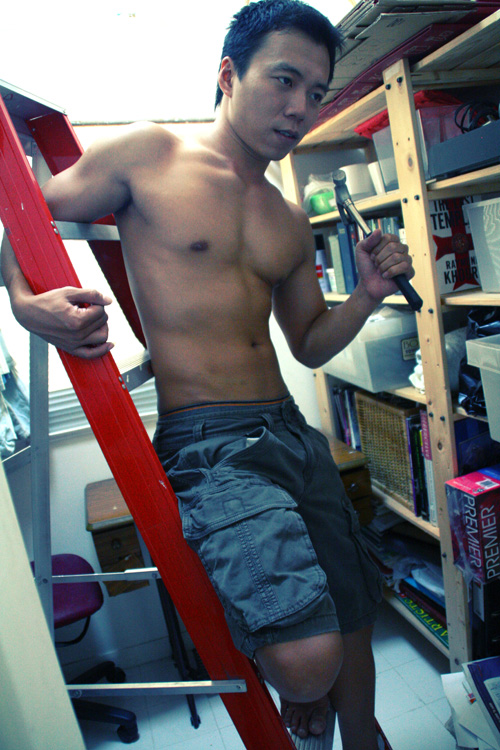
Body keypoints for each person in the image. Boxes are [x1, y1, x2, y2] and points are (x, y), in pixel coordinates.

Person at [1, 1, 415, 746]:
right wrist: (26, 303)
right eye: (284, 80)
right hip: (211, 445)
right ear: (229, 75)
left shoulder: (288, 217)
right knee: (306, 664)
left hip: (293, 434)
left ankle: (362, 737)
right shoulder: (149, 154)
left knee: (354, 607)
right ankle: (302, 683)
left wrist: (365, 295)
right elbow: (19, 218)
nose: (300, 107)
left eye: (316, 92)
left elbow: (310, 344)